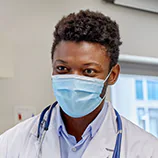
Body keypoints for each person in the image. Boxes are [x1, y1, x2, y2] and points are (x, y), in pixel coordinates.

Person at [0, 10, 158, 158]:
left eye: (88, 71)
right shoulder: (10, 144)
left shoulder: (147, 150)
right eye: (62, 68)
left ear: (113, 75)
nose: (74, 80)